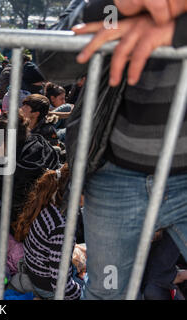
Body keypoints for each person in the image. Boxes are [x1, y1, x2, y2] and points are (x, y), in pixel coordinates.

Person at [66, 0, 187, 299]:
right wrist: (116, 8)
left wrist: (178, 30)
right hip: (115, 178)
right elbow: (53, 59)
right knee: (106, 291)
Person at [13, 163, 83, 300]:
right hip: (47, 287)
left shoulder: (52, 202)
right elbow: (62, 287)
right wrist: (85, 292)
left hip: (36, 273)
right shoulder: (63, 227)